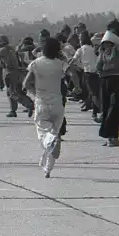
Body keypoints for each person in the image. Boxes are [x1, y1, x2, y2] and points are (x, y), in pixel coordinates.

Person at [24, 36, 69, 177]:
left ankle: (51, 141)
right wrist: (78, 87)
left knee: (43, 133)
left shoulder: (36, 64)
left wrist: (33, 94)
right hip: (57, 103)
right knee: (54, 132)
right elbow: (72, 73)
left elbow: (26, 84)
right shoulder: (60, 64)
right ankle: (48, 169)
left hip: (42, 103)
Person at [0, 35, 33, 117]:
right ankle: (13, 110)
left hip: (10, 73)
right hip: (19, 72)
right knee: (17, 91)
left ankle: (29, 104)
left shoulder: (3, 50)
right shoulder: (12, 48)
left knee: (12, 93)